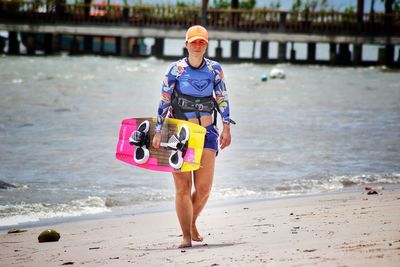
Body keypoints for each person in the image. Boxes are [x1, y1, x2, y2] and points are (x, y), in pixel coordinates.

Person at [152, 25, 234, 248]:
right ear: (186, 44)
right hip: (178, 134)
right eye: (194, 41)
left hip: (207, 133)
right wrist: (158, 131)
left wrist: (226, 127)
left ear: (206, 45)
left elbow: (222, 98)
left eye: (202, 42)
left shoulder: (215, 70)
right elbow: (164, 102)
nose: (198, 45)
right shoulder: (175, 70)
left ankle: (192, 222)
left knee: (205, 189)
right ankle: (186, 237)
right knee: (182, 188)